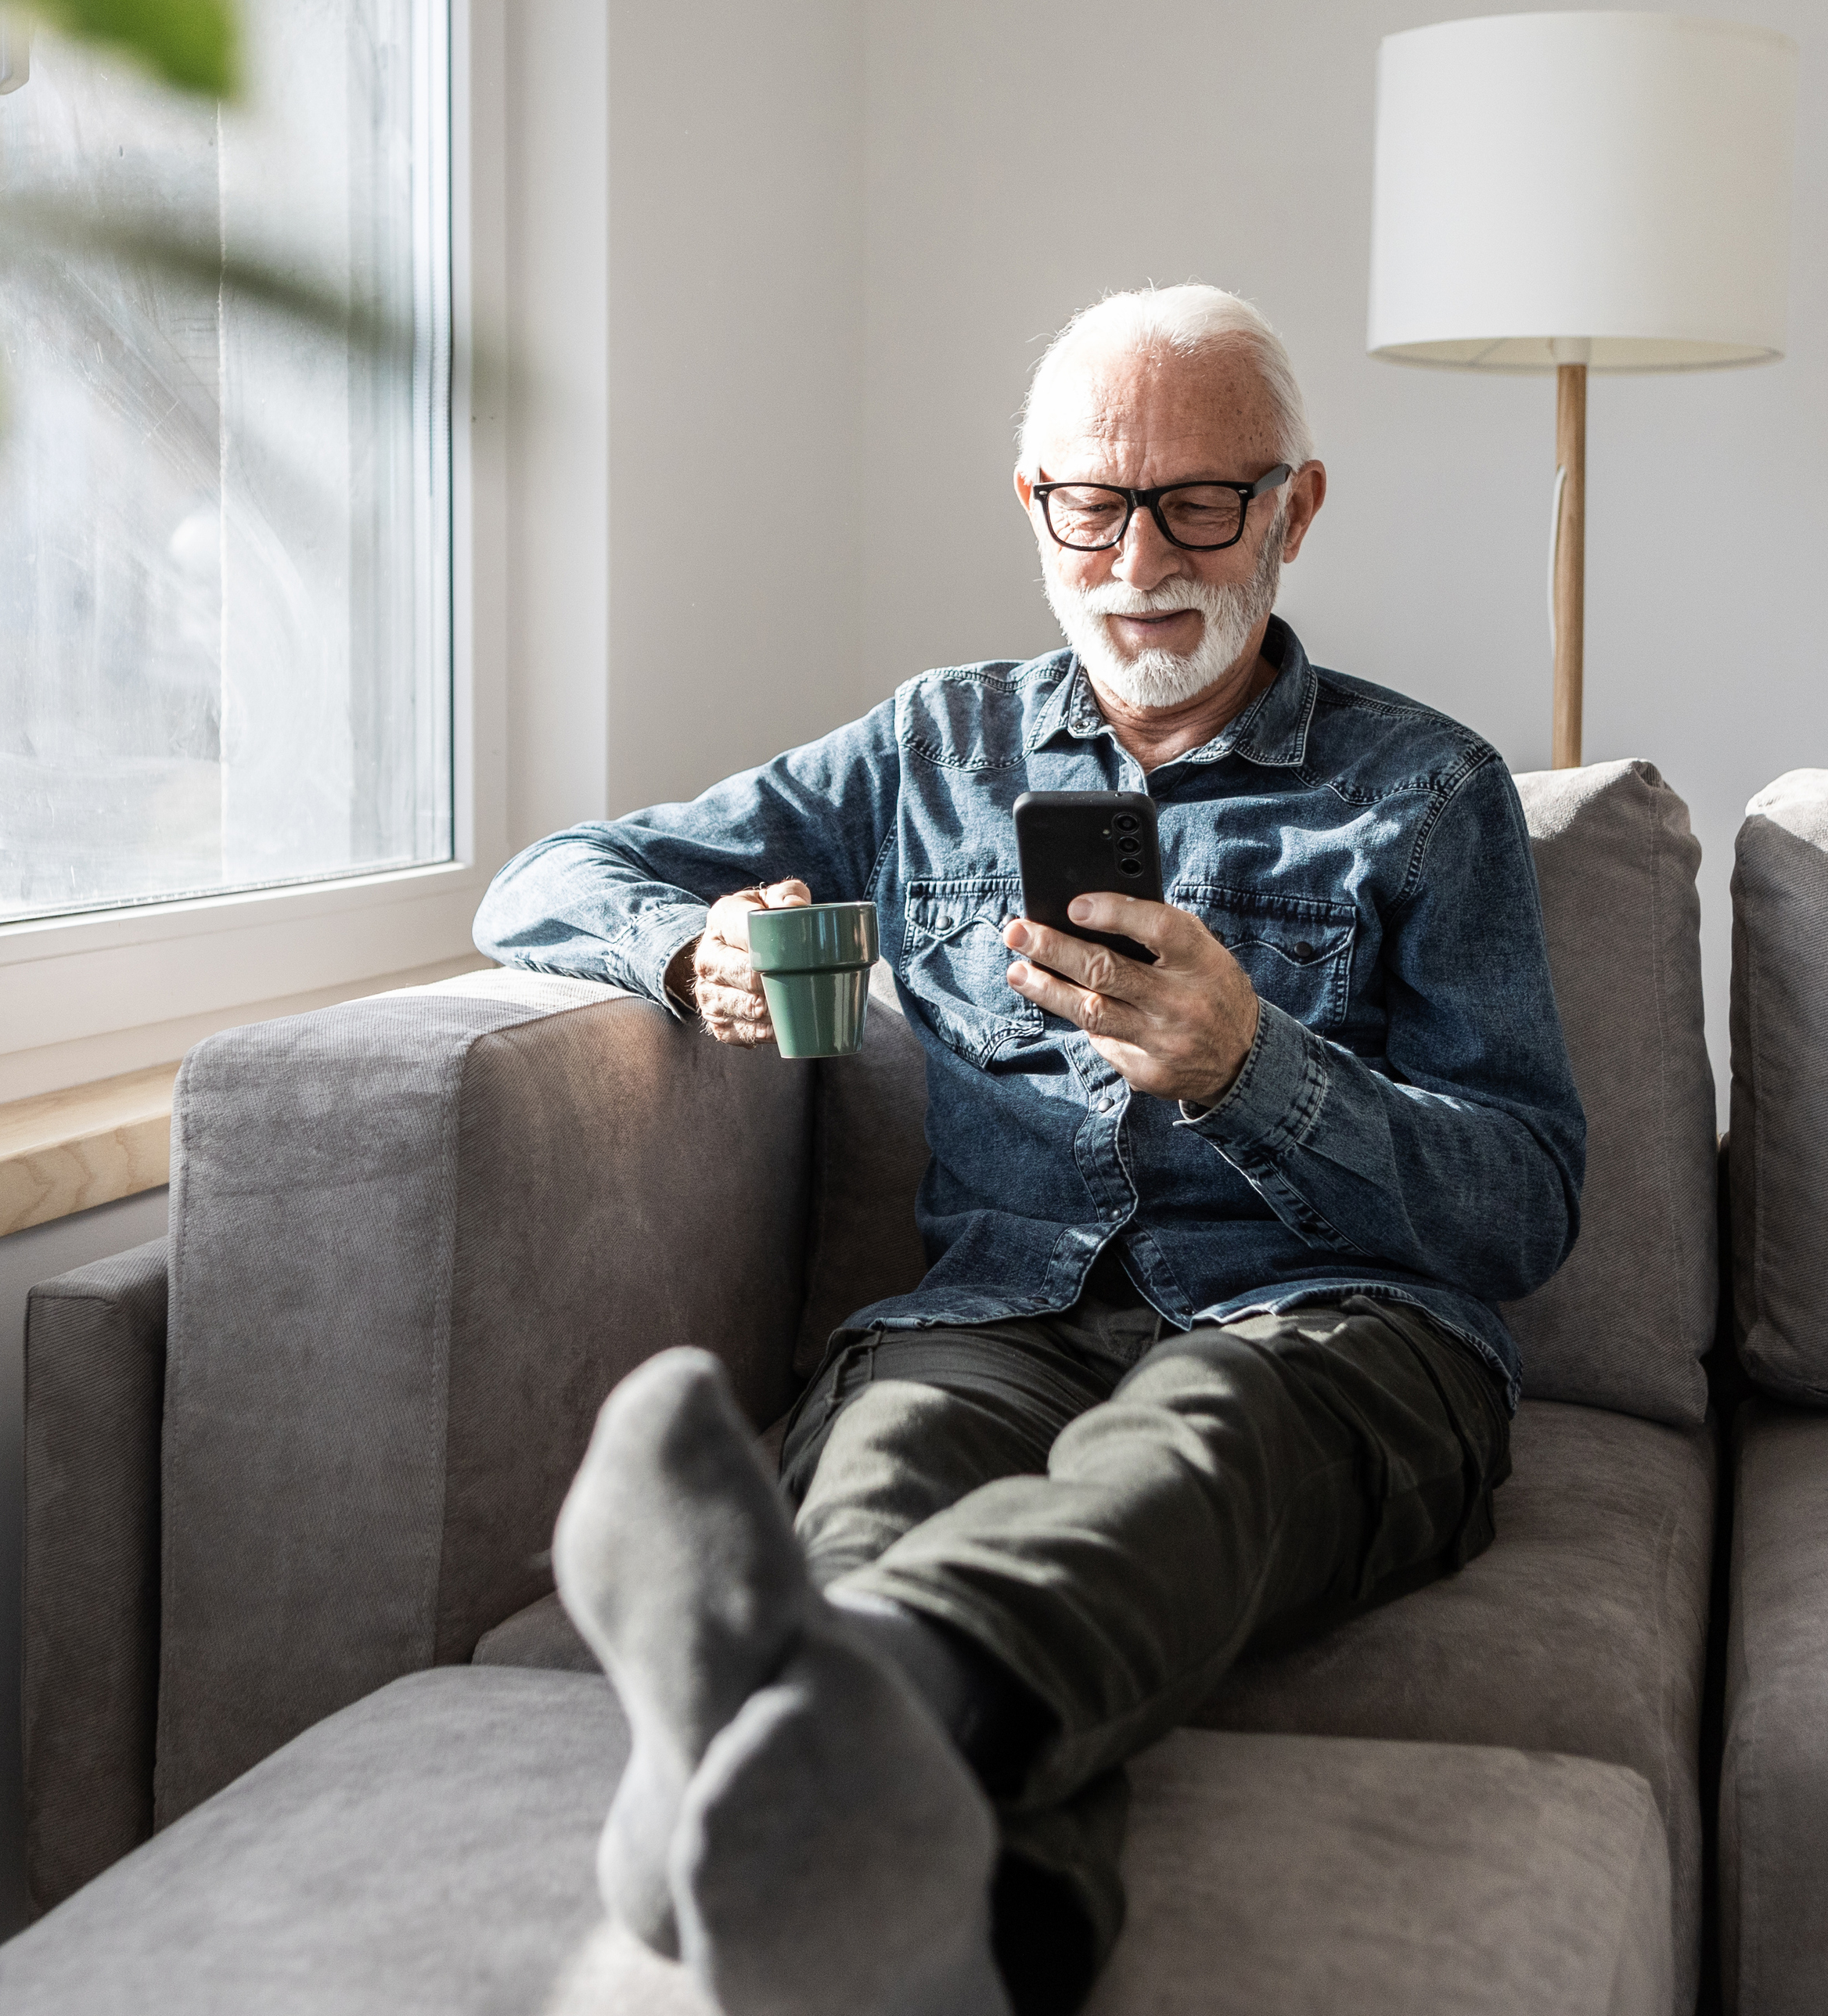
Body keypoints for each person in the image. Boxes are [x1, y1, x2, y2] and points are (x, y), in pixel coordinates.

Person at [470, 284, 1585, 2016]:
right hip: (993, 1319)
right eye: (1092, 503)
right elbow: (545, 880)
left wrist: (1254, 1069)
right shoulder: (933, 749)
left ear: (1294, 509)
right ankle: (933, 1899)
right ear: (1032, 506)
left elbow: (1526, 1203)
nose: (1139, 559)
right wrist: (691, 953)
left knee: (1199, 1445)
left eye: (1198, 503)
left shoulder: (1426, 792)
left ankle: (791, 1723)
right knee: (887, 1466)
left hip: (1333, 1329)